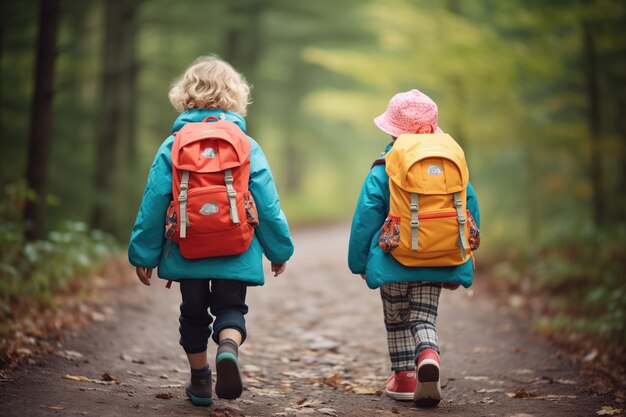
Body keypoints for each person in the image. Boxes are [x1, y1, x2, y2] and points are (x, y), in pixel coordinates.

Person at [128, 56, 294, 406]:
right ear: (235, 96)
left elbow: (154, 201)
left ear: (185, 95)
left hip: (186, 244)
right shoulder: (246, 145)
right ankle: (229, 348)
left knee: (192, 312)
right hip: (237, 245)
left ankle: (200, 379)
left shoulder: (173, 144)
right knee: (232, 308)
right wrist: (279, 251)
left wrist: (143, 254)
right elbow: (266, 204)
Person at [347, 89, 480, 407]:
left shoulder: (385, 168)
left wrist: (359, 262)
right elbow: (469, 209)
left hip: (393, 257)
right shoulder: (452, 165)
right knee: (423, 317)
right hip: (440, 255)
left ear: (393, 130)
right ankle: (429, 354)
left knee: (396, 318)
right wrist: (461, 257)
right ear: (434, 128)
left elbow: (367, 216)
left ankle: (405, 378)